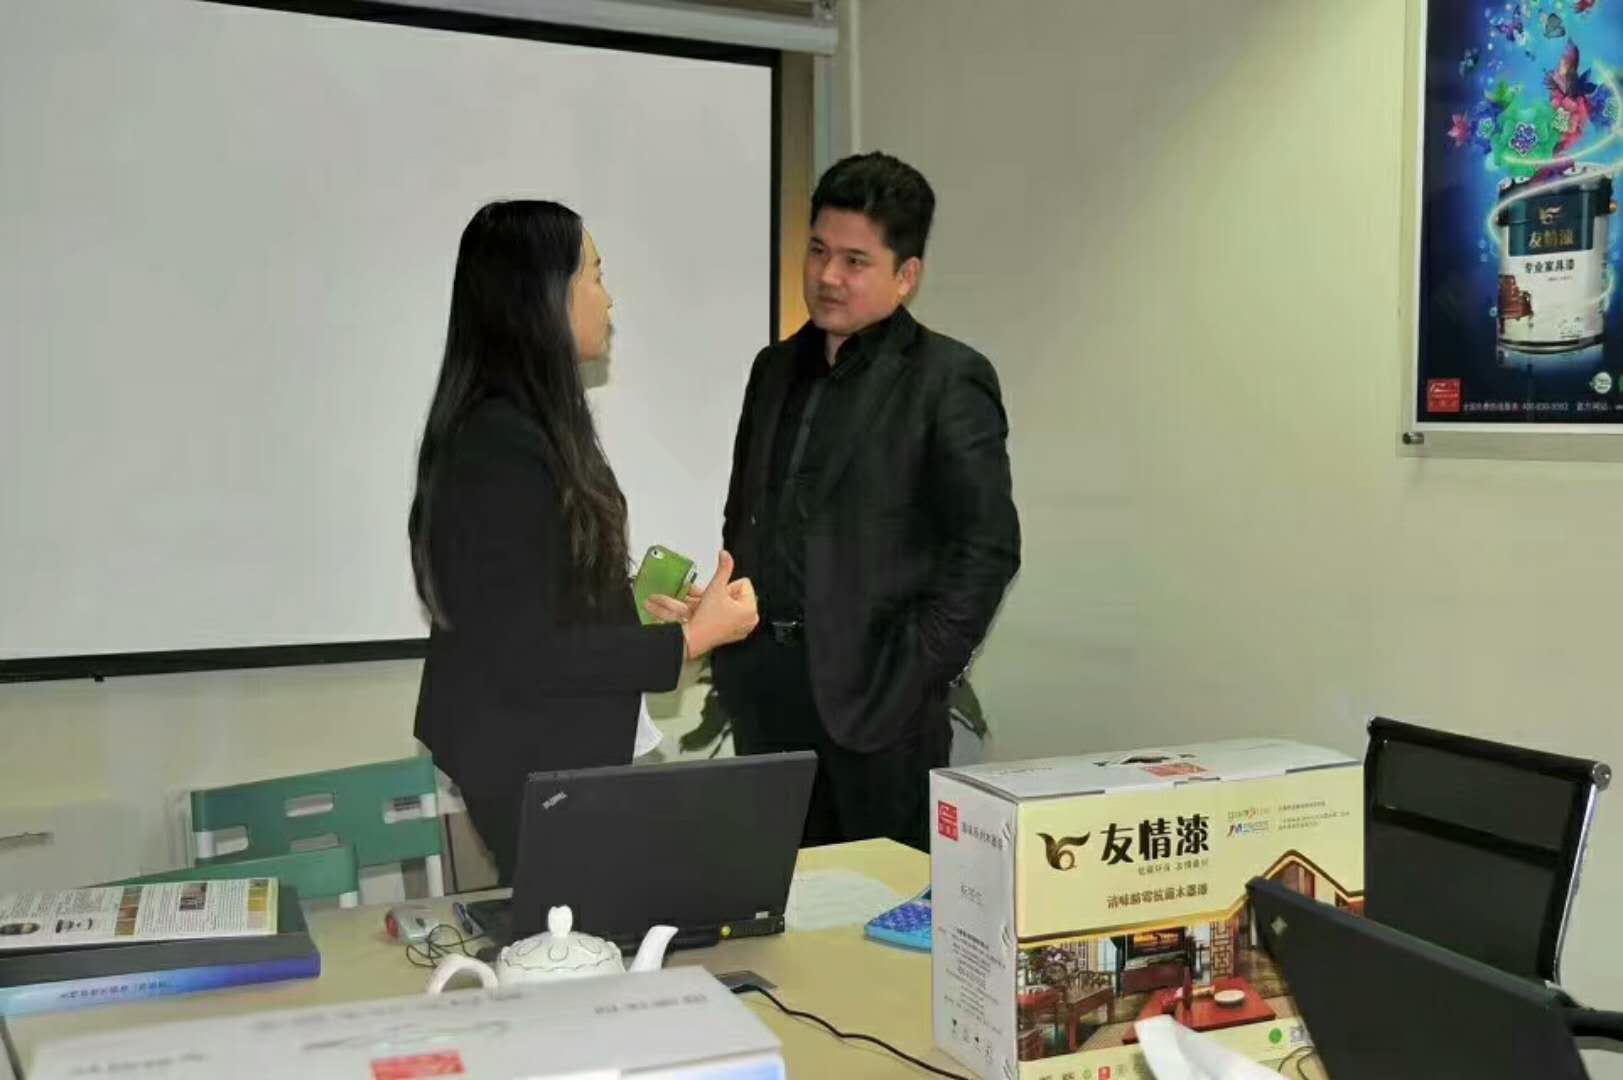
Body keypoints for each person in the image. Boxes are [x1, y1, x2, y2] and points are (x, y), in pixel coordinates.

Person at [410, 200, 758, 883]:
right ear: (544, 297)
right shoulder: (498, 443)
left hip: (549, 745)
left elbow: (536, 595)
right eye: (595, 275)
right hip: (531, 757)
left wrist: (633, 613)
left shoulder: (531, 423)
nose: (609, 297)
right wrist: (689, 641)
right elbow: (524, 650)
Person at [684, 152, 1020, 850]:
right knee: (776, 895)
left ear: (906, 275)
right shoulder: (773, 368)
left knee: (883, 902)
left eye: (855, 261)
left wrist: (915, 671)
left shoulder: (947, 379)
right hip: (766, 698)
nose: (828, 276)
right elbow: (745, 515)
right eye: (817, 251)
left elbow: (987, 548)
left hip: (879, 709)